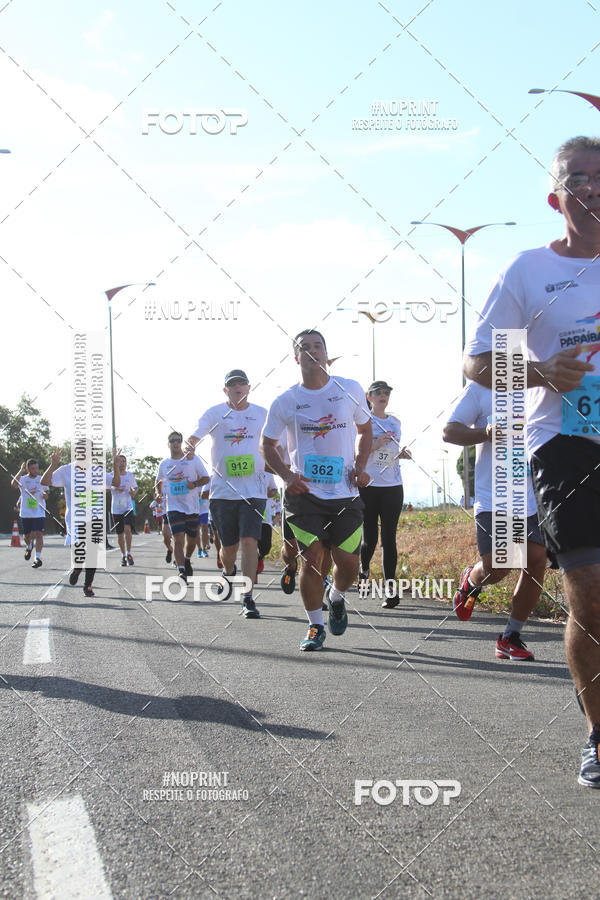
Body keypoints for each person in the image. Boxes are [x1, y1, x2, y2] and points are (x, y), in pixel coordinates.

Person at [463, 135, 600, 787]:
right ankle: (599, 736)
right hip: (566, 446)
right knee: (591, 597)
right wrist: (542, 371)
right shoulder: (525, 272)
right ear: (557, 196)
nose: (593, 186)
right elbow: (476, 363)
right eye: (579, 178)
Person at [261, 329, 372, 650]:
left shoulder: (349, 389)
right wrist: (286, 474)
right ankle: (314, 626)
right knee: (311, 558)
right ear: (296, 358)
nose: (312, 351)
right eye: (304, 348)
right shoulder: (286, 401)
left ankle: (336, 596)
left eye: (317, 346)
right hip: (303, 495)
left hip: (345, 493)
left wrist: (361, 466)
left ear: (326, 352)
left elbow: (365, 430)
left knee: (349, 563)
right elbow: (266, 445)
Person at [443, 382, 547, 659]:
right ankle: (472, 579)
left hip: (530, 495)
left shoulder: (541, 385)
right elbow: (449, 431)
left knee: (536, 559)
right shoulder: (480, 389)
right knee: (500, 565)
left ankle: (511, 636)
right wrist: (485, 433)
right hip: (495, 497)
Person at [186, 370, 268, 619]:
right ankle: (228, 572)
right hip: (223, 493)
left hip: (254, 490)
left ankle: (248, 597)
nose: (237, 388)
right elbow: (196, 433)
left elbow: (280, 438)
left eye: (241, 383)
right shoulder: (215, 413)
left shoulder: (262, 414)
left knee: (249, 542)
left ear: (249, 387)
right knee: (229, 549)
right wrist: (190, 445)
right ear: (226, 390)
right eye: (232, 385)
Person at [41, 443, 120, 597]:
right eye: (80, 450)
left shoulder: (97, 471)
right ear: (75, 452)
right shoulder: (65, 470)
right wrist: (53, 464)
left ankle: (88, 585)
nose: (83, 453)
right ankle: (77, 567)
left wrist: (116, 466)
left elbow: (116, 483)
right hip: (75, 518)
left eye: (87, 450)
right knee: (80, 549)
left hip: (94, 516)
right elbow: (44, 482)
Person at [359, 381, 411, 608]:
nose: (383, 395)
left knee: (389, 538)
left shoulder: (395, 421)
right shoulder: (362, 420)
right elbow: (356, 452)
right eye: (378, 392)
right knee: (369, 539)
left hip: (392, 485)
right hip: (369, 486)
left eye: (387, 392)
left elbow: (391, 451)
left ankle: (390, 589)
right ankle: (364, 569)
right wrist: (374, 444)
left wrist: (400, 454)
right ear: (369, 397)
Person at [156, 432, 209, 582]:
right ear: (168, 444)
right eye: (172, 440)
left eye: (178, 440)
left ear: (181, 442)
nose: (175, 443)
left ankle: (186, 559)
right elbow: (158, 482)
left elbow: (206, 478)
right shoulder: (164, 464)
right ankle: (181, 571)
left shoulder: (193, 461)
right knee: (178, 538)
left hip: (192, 506)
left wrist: (195, 484)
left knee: (191, 540)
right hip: (173, 507)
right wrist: (159, 494)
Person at [11, 459, 48, 568]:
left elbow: (47, 493)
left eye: (36, 468)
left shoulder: (41, 479)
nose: (35, 470)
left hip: (39, 512)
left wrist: (44, 495)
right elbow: (13, 484)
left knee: (39, 534)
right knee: (27, 536)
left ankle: (37, 558)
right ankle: (29, 546)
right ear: (28, 469)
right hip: (26, 512)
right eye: (33, 468)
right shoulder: (23, 479)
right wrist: (21, 471)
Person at [110, 454, 138, 566]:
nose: (122, 463)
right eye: (120, 461)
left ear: (126, 463)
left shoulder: (130, 476)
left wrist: (134, 492)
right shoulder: (111, 475)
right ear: (116, 463)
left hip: (127, 507)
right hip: (116, 508)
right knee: (120, 534)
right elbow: (106, 487)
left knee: (127, 529)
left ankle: (129, 552)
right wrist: (114, 488)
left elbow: (135, 487)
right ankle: (123, 555)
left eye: (124, 461)